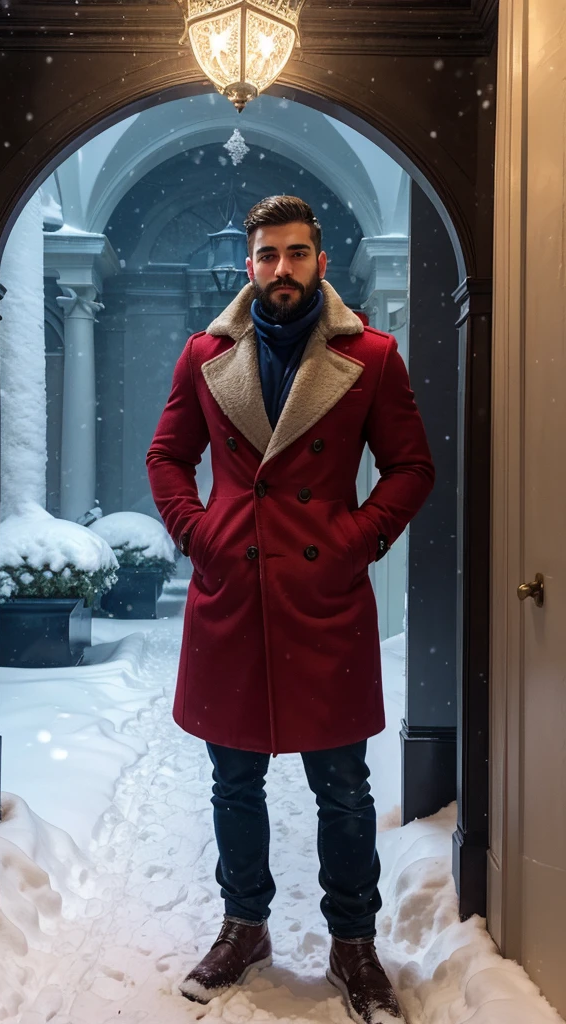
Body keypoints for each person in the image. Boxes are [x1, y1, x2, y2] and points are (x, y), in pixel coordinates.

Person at [146, 195, 434, 1023]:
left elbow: (411, 467)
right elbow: (169, 454)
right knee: (233, 781)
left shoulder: (372, 357)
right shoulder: (204, 352)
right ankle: (245, 927)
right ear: (249, 264)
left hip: (323, 594)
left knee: (342, 786)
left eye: (297, 254)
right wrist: (198, 534)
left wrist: (355, 541)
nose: (282, 269)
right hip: (230, 590)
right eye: (267, 255)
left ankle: (354, 943)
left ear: (321, 262)